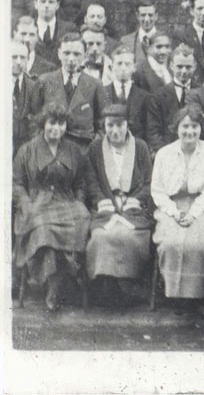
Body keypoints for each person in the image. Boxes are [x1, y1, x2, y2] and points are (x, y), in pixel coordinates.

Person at [13, 103, 90, 311]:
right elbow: (16, 182)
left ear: (66, 127)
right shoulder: (27, 150)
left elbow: (81, 184)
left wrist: (79, 202)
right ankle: (53, 284)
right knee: (44, 229)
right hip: (37, 203)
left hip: (66, 202)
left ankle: (66, 278)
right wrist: (26, 203)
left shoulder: (73, 151)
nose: (56, 128)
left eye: (61, 123)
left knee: (82, 218)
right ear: (43, 124)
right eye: (52, 123)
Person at [151, 106, 204, 316]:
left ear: (201, 128)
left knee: (197, 243)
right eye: (185, 126)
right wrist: (175, 212)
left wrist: (193, 213)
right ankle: (177, 298)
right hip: (170, 206)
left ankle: (199, 297)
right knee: (171, 242)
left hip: (203, 206)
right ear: (176, 128)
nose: (189, 131)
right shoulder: (164, 154)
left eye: (194, 126)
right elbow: (157, 191)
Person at [84, 104, 153, 303]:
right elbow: (92, 182)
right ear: (104, 126)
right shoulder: (95, 148)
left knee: (130, 237)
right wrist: (104, 201)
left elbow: (148, 182)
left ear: (127, 125)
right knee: (101, 237)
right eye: (110, 125)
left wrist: (135, 199)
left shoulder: (140, 146)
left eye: (120, 125)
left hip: (134, 209)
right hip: (106, 207)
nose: (115, 131)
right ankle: (107, 284)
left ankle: (128, 284)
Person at [29, 33, 110, 147]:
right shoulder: (44, 81)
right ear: (59, 54)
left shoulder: (95, 85)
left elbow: (104, 123)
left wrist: (93, 147)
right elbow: (34, 119)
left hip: (83, 150)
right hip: (51, 147)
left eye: (76, 54)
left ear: (84, 56)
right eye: (66, 53)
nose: (71, 59)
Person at [103, 45, 148, 140]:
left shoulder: (145, 97)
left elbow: (147, 129)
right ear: (111, 67)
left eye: (127, 64)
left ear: (134, 68)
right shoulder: (101, 93)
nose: (123, 68)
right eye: (119, 63)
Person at [32, 0, 77, 65]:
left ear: (57, 5)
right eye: (43, 1)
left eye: (51, 2)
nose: (46, 5)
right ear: (35, 4)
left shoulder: (69, 29)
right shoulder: (28, 28)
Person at [13, 15, 57, 80]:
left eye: (32, 35)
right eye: (23, 34)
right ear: (14, 34)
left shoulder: (49, 69)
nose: (27, 39)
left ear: (37, 38)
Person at [119, 0, 159, 66]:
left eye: (150, 15)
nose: (146, 19)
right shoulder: (126, 41)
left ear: (156, 16)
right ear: (137, 16)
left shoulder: (166, 40)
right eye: (143, 15)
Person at [12, 41, 34, 155]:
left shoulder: (34, 86)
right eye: (14, 57)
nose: (19, 62)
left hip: (25, 149)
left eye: (23, 57)